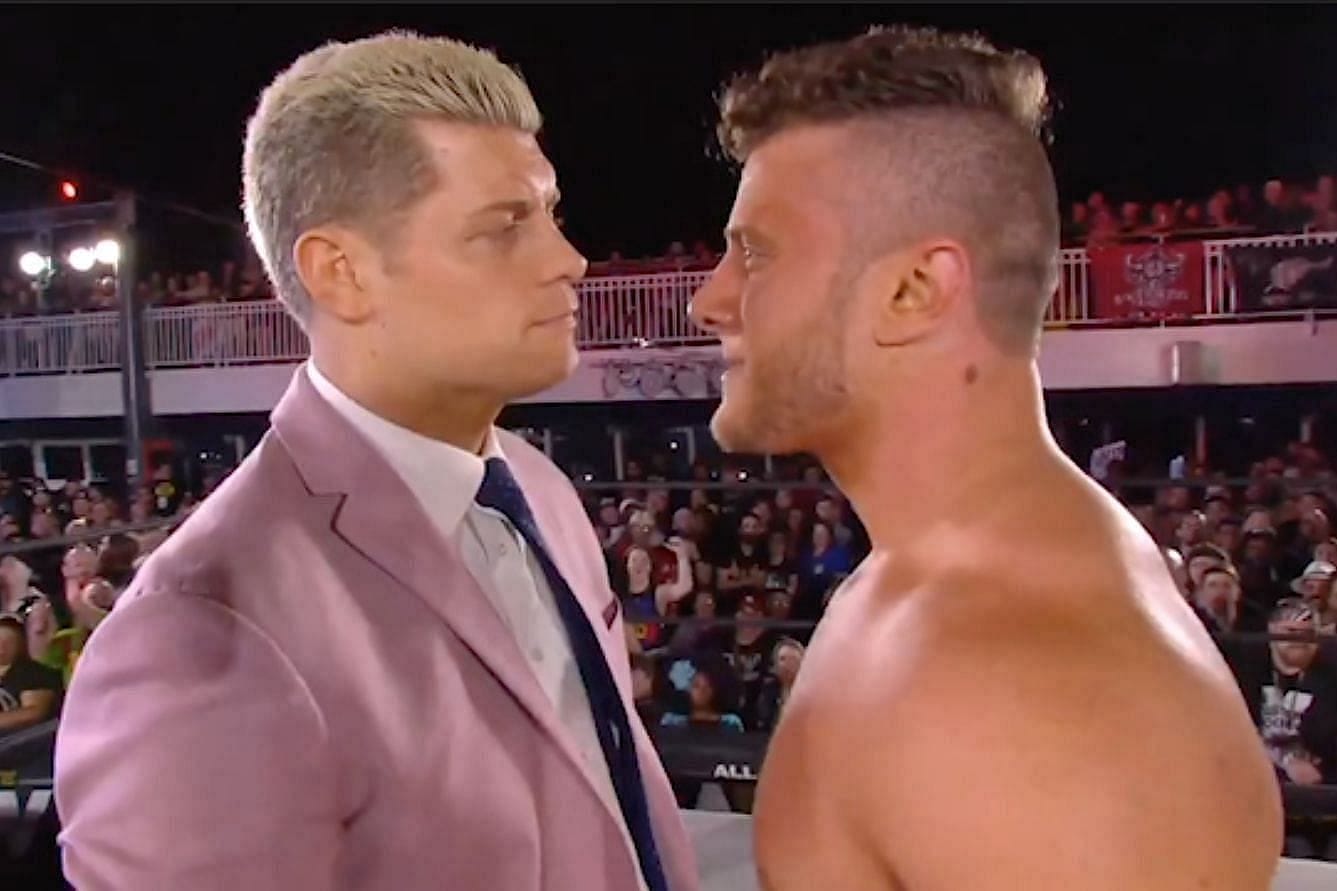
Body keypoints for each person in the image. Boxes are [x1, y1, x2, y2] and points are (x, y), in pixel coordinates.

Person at [55, 31, 696, 891]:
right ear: (342, 273)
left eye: (550, 213)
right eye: (504, 227)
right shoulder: (198, 628)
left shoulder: (536, 489)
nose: (567, 260)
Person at [689, 25, 1282, 890]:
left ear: (915, 290)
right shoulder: (927, 591)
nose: (709, 299)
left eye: (755, 254)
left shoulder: (1021, 695)